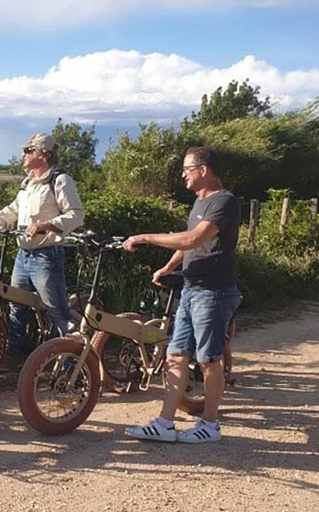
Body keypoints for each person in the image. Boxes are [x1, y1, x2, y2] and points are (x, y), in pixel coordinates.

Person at [121, 147, 241, 443]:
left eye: (187, 169)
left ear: (204, 170)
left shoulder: (224, 202)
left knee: (209, 359)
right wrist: (167, 267)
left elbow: (193, 238)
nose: (183, 175)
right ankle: (164, 423)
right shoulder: (199, 203)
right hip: (192, 289)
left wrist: (145, 237)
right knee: (175, 355)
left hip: (213, 293)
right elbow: (187, 246)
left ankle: (210, 425)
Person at [0, 133, 85, 368]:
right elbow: (14, 209)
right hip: (23, 255)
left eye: (28, 150)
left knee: (56, 310)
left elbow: (76, 214)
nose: (23, 154)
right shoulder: (28, 183)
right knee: (16, 305)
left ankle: (71, 363)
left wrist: (47, 226)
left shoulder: (60, 181)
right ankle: (16, 354)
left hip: (46, 255)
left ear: (43, 154)